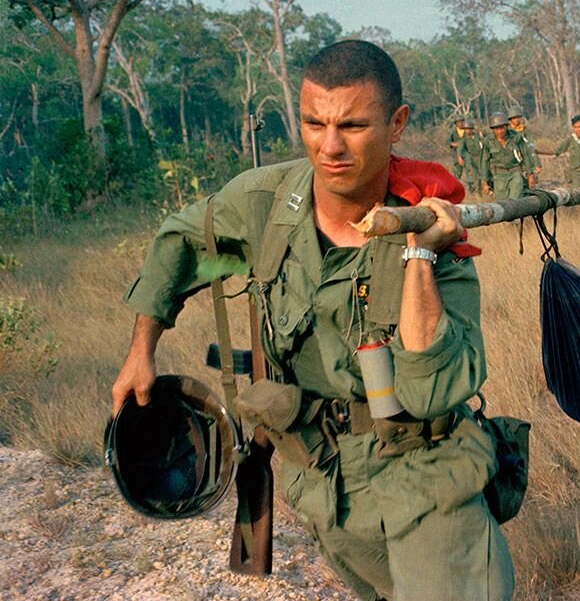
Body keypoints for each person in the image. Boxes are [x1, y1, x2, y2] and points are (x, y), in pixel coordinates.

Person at [111, 40, 515, 600]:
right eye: (312, 123)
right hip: (320, 478)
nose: (330, 147)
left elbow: (429, 392)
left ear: (396, 123)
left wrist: (420, 254)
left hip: (424, 471)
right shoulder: (264, 203)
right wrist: (142, 349)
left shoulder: (435, 224)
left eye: (352, 125)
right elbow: (181, 237)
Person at [481, 111, 531, 200]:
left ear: (506, 126)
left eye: (502, 128)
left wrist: (530, 174)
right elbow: (484, 161)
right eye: (496, 129)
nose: (499, 131)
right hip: (499, 176)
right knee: (502, 204)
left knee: (515, 201)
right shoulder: (488, 141)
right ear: (492, 129)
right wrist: (485, 181)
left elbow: (526, 155)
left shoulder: (516, 137)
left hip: (515, 172)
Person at [550, 114, 580, 187]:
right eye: (575, 127)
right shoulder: (570, 140)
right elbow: (557, 151)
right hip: (576, 175)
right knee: (577, 195)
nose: (577, 130)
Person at [507, 105, 541, 187]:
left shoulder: (525, 130)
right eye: (514, 118)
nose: (517, 120)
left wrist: (537, 163)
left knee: (531, 185)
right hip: (512, 164)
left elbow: (531, 146)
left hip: (526, 161)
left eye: (518, 117)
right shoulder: (506, 131)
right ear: (510, 119)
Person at [459, 117, 488, 195]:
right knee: (475, 177)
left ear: (471, 129)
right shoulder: (464, 138)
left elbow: (485, 143)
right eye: (465, 129)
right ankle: (479, 194)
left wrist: (482, 136)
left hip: (481, 157)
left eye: (468, 129)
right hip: (472, 158)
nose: (467, 130)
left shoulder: (478, 135)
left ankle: (489, 190)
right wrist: (460, 157)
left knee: (485, 174)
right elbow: (460, 148)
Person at [447, 116, 466, 181]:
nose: (460, 124)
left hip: (467, 151)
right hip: (456, 152)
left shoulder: (466, 129)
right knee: (458, 170)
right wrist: (453, 144)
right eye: (459, 122)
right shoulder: (453, 131)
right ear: (456, 123)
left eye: (462, 122)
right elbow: (448, 141)